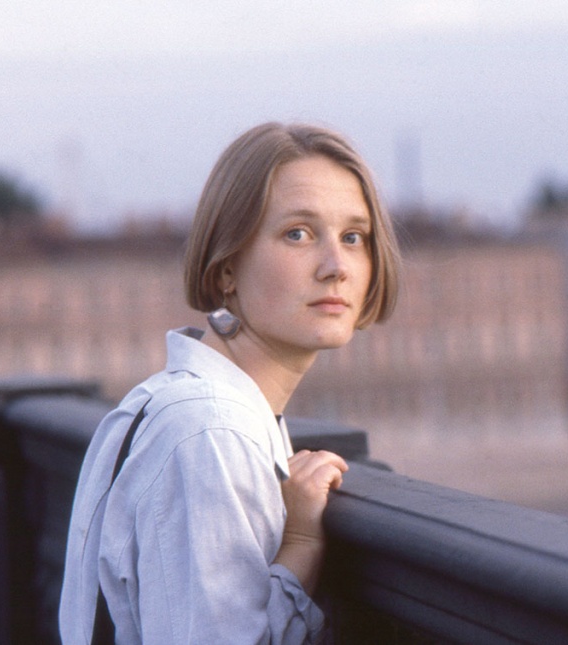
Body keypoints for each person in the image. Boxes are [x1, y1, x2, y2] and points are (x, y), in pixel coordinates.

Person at [59, 121, 400, 644]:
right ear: (226, 270)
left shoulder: (177, 407)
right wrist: (303, 543)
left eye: (354, 237)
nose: (337, 266)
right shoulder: (209, 433)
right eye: (298, 234)